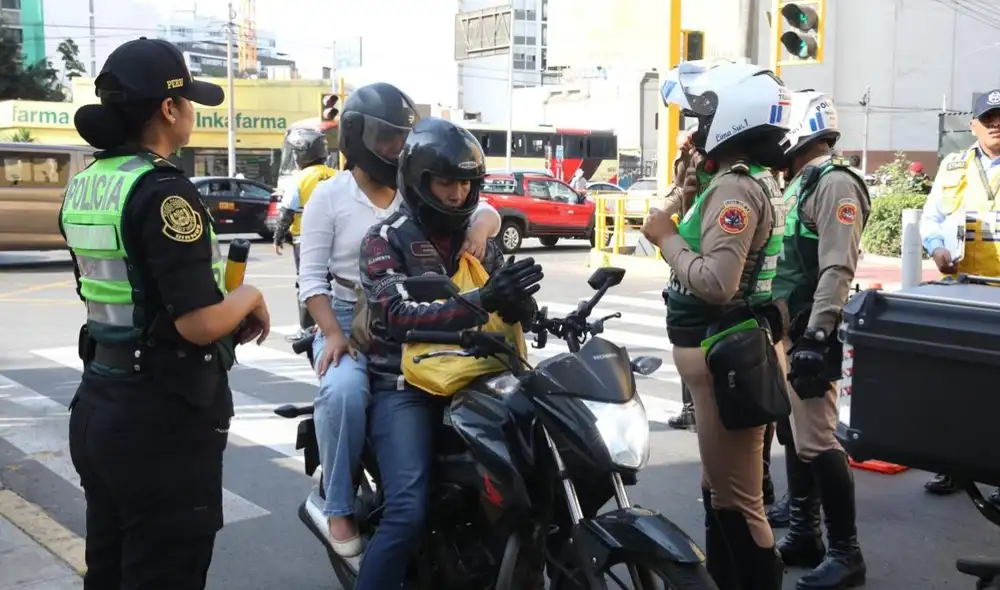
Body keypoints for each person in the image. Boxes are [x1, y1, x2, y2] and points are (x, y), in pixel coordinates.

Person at [63, 37, 270, 589]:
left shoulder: (88, 183)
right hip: (160, 426)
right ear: (169, 108)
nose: (193, 112)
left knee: (108, 570)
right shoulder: (165, 193)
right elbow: (195, 323)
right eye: (190, 101)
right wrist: (247, 299)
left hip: (100, 407)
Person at [297, 84, 502, 561]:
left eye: (401, 139)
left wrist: (481, 227)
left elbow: (479, 205)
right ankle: (340, 504)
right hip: (346, 317)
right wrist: (333, 335)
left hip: (428, 316)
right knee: (346, 389)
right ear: (357, 136)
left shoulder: (415, 187)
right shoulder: (330, 196)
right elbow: (311, 282)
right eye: (387, 139)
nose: (396, 148)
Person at [355, 117, 542, 590]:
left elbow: (507, 303)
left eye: (464, 182)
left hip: (477, 375)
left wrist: (523, 302)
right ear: (419, 181)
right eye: (445, 182)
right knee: (406, 510)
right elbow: (397, 313)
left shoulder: (476, 237)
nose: (457, 194)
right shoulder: (385, 238)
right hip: (406, 385)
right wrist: (482, 301)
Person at [641, 60, 791, 589]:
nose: (691, 130)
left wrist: (666, 240)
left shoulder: (735, 191)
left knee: (740, 501)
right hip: (721, 353)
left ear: (729, 119)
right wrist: (681, 194)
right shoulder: (733, 182)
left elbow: (716, 282)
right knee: (721, 489)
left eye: (700, 118)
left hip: (726, 351)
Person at [772, 90, 870, 590]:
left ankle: (846, 552)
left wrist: (815, 333)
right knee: (794, 434)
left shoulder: (835, 184)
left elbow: (838, 265)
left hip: (811, 330)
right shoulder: (800, 183)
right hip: (788, 329)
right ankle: (805, 534)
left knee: (817, 438)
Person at [920, 89, 1000, 503]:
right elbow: (932, 217)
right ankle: (953, 465)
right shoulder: (954, 165)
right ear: (974, 125)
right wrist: (935, 248)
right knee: (957, 380)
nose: (997, 125)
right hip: (964, 288)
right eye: (989, 119)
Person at [273, 128, 337, 338]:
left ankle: (306, 329)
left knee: (307, 282)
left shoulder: (300, 179)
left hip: (305, 240)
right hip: (335, 239)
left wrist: (278, 238)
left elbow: (287, 211)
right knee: (332, 283)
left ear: (301, 153)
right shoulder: (336, 175)